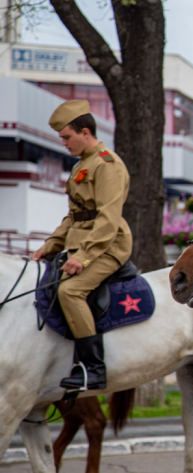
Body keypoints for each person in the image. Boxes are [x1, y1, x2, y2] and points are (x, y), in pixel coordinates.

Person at [31, 100, 133, 392]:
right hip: (79, 244)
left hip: (108, 245)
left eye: (67, 137)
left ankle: (93, 369)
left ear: (85, 132)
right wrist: (50, 245)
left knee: (70, 291)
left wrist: (84, 256)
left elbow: (108, 218)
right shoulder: (82, 164)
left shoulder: (107, 164)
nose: (63, 143)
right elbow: (74, 216)